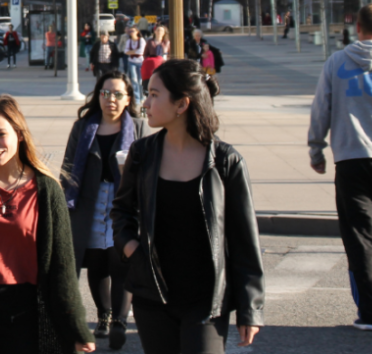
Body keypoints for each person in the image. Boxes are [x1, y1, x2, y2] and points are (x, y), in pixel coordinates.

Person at [112, 59, 264, 354]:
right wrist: (132, 249)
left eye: (155, 95)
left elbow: (246, 240)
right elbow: (121, 212)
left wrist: (251, 309)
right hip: (152, 296)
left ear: (182, 104)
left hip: (206, 302)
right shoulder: (142, 153)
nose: (146, 103)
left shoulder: (225, 161)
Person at [0, 95, 96, 354]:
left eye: (0, 134)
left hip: (26, 309)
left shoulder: (46, 190)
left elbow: (62, 266)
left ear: (19, 135)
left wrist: (77, 326)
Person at [309, 3, 372, 330]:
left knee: (360, 237)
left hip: (351, 157)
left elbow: (322, 106)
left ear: (357, 28)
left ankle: (368, 312)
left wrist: (316, 148)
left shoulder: (337, 62)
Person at [61, 71, 151, 350]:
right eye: (105, 93)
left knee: (121, 257)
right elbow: (68, 167)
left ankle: (121, 321)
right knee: (97, 261)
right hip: (89, 201)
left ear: (127, 99)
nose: (110, 99)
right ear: (98, 95)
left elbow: (148, 168)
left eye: (117, 94)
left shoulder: (137, 126)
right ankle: (104, 316)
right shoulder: (84, 126)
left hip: (123, 202)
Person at [140, 26, 170, 94]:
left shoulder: (167, 42)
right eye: (158, 30)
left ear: (164, 33)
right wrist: (149, 60)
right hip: (152, 65)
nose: (159, 32)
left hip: (163, 64)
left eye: (162, 31)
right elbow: (145, 54)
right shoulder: (150, 42)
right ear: (155, 31)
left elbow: (169, 54)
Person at [122, 27, 146, 102]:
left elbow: (141, 51)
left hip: (140, 62)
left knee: (140, 80)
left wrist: (131, 51)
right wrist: (134, 51)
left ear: (137, 32)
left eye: (133, 31)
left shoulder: (141, 40)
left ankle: (142, 95)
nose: (131, 32)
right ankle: (137, 98)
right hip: (131, 62)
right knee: (133, 80)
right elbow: (125, 51)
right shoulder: (129, 41)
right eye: (130, 31)